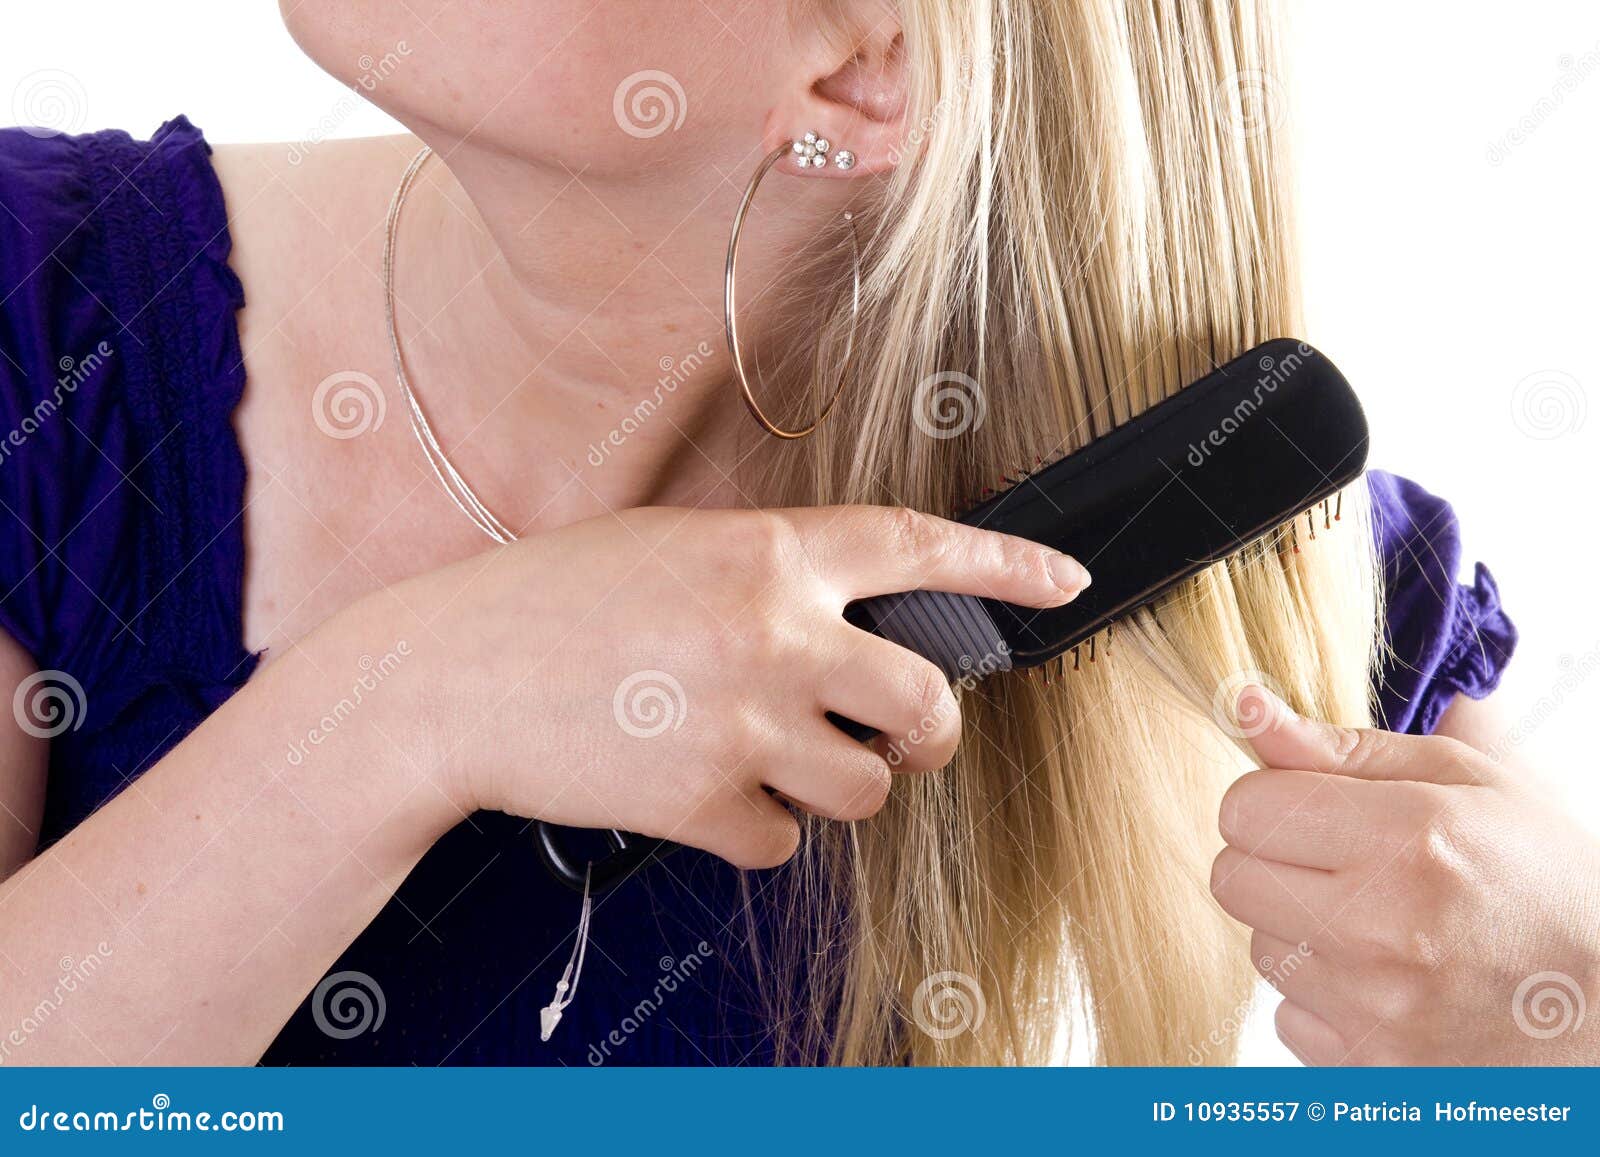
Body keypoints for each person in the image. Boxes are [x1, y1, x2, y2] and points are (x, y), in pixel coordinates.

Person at [0, 0, 1588, 1066]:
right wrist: (407, 706)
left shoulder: (1247, 562)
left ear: (856, 82)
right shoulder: (53, 335)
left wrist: (1566, 1021)